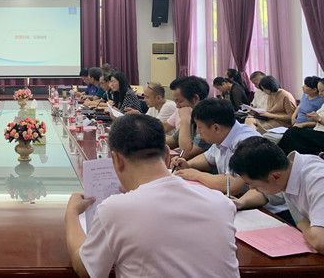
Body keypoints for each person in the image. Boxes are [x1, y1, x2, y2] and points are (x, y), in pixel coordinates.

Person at [64, 114, 239, 277]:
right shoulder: (221, 203)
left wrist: (71, 214)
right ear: (167, 155)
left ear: (117, 160)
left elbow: (86, 270)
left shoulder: (115, 209)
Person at [230, 136, 324, 254]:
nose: (252, 188)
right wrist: (241, 202)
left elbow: (320, 242)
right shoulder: (287, 171)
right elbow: (266, 194)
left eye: (253, 184)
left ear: (275, 176)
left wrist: (302, 222)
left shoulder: (318, 180)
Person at [171, 98, 260, 196]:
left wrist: (196, 175)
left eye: (199, 127)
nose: (197, 132)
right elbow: (208, 159)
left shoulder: (245, 142)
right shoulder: (223, 134)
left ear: (216, 128)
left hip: (252, 202)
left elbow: (232, 185)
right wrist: (187, 164)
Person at [164, 76, 211, 160]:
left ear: (195, 98)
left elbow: (186, 154)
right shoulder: (194, 116)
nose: (177, 106)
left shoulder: (209, 119)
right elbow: (173, 141)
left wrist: (184, 120)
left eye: (180, 101)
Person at [279, 78, 324, 155]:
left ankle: (280, 156)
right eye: (319, 91)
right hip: (316, 131)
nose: (320, 94)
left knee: (292, 133)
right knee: (291, 134)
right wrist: (313, 117)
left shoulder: (320, 101)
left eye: (322, 91)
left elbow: (319, 119)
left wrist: (318, 119)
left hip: (321, 134)